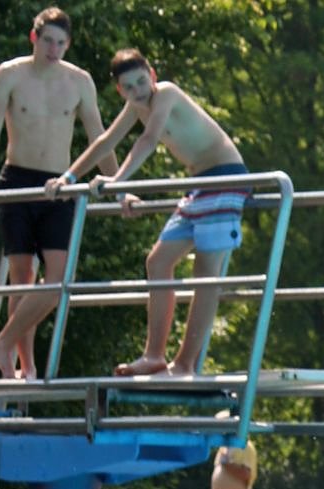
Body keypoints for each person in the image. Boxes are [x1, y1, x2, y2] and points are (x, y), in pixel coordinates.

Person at [44, 47, 248, 376]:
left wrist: (116, 181)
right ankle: (154, 356)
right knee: (158, 262)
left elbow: (149, 140)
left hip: (225, 179)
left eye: (141, 81)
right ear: (120, 90)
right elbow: (105, 142)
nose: (138, 90)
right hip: (198, 185)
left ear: (152, 75)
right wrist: (68, 177)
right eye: (129, 87)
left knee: (206, 275)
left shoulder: (166, 93)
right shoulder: (134, 106)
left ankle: (184, 364)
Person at [0, 7, 116, 379]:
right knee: (22, 275)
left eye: (61, 43)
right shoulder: (10, 74)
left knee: (58, 278)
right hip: (16, 179)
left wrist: (119, 184)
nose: (53, 49)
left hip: (58, 186)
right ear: (34, 37)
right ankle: (24, 366)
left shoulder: (80, 81)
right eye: (47, 41)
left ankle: (1, 343)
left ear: (68, 44)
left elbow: (99, 137)